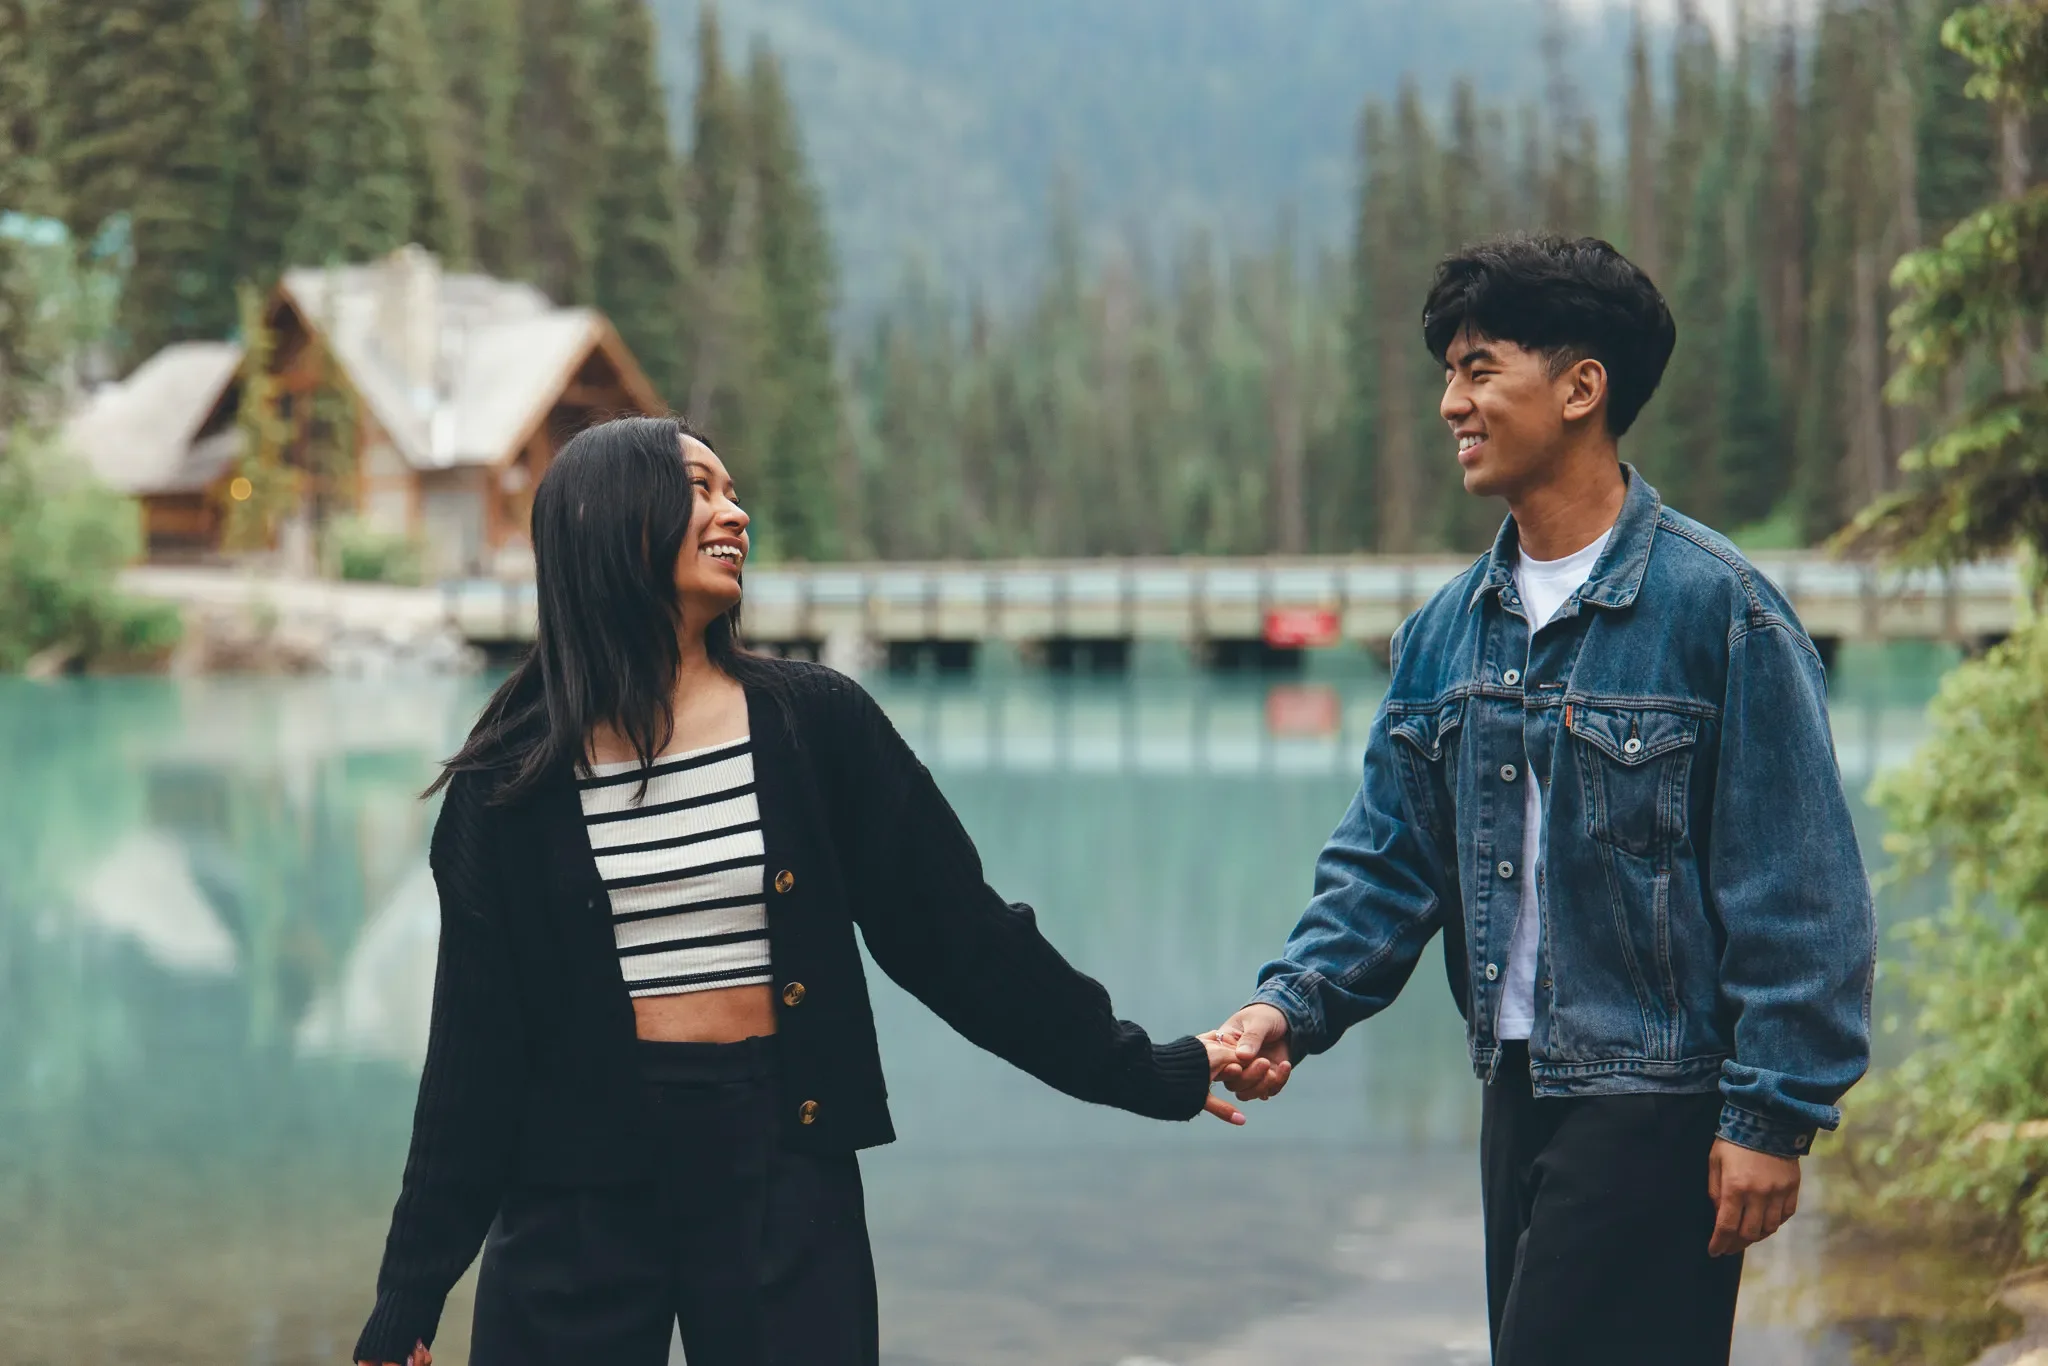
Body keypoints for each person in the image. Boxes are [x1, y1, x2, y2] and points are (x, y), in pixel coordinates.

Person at [352, 415, 1244, 1366]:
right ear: (608, 517)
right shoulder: (508, 782)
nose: (735, 514)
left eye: (734, 493)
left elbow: (965, 942)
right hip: (573, 1196)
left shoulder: (816, 724)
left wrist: (1147, 1070)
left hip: (780, 1166)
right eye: (700, 489)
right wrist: (408, 1297)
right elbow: (472, 1057)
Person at [1209, 235, 1876, 1365]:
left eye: (1479, 369)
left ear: (1580, 388)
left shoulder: (1719, 610)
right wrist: (1290, 1005)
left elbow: (1798, 889)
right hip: (1513, 1086)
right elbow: (1386, 864)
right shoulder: (1442, 634)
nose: (1450, 404)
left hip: (1655, 1099)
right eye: (1448, 374)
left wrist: (1771, 1114)